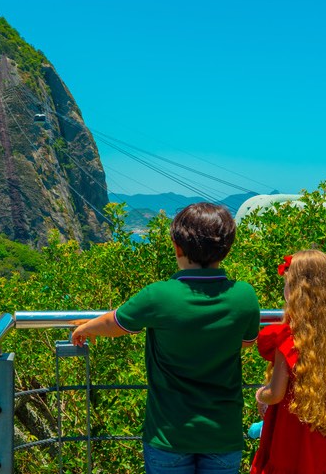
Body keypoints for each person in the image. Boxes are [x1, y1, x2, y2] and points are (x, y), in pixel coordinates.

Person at [71, 202, 260, 474]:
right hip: (223, 433)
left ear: (177, 246)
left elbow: (116, 321)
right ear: (227, 248)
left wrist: (85, 328)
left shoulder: (158, 295)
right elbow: (246, 342)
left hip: (169, 434)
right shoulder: (244, 296)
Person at [250, 249, 326, 474]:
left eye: (287, 283)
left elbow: (276, 393)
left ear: (296, 291)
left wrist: (260, 395)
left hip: (292, 434)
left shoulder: (289, 336)